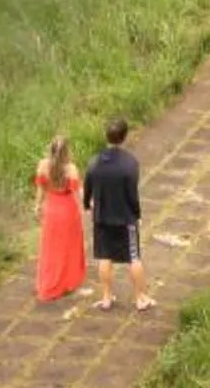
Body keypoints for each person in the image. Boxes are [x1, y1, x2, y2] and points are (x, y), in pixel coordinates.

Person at [81, 116, 153, 311]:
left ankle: (106, 296)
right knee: (133, 257)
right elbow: (132, 193)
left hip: (102, 216)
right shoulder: (130, 164)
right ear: (125, 137)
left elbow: (87, 188)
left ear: (107, 136)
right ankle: (140, 297)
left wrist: (87, 204)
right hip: (125, 217)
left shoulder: (94, 162)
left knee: (105, 256)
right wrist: (136, 213)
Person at [33, 133, 86, 302]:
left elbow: (40, 191)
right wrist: (90, 205)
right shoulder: (70, 169)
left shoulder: (42, 166)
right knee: (68, 248)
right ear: (67, 151)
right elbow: (79, 193)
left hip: (51, 210)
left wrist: (37, 206)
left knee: (50, 249)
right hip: (68, 211)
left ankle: (49, 283)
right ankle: (67, 282)